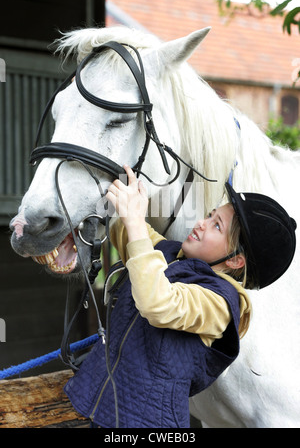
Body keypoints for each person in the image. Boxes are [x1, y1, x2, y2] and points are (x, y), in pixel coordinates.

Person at [64, 165, 296, 428]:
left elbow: (158, 303)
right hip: (109, 413)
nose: (201, 223)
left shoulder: (219, 302)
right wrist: (116, 186)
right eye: (210, 215)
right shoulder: (167, 252)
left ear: (236, 260)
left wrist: (137, 221)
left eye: (216, 226)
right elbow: (124, 227)